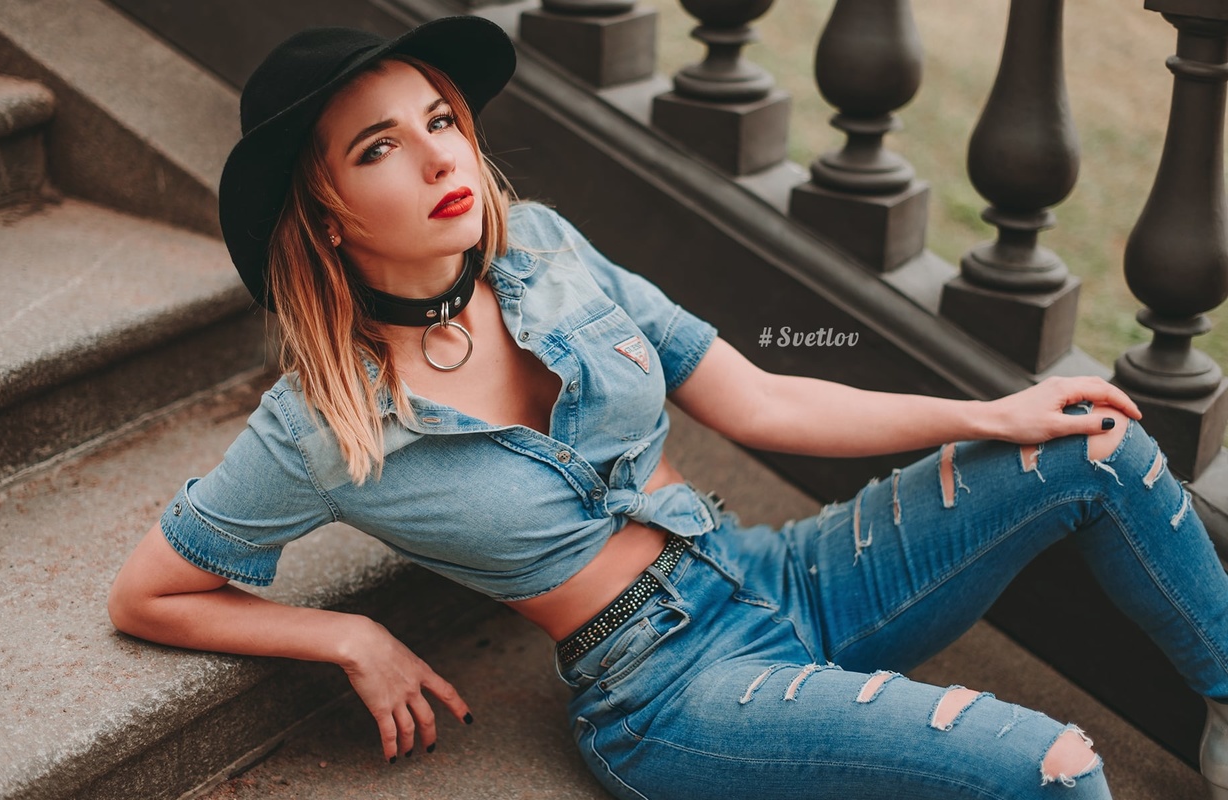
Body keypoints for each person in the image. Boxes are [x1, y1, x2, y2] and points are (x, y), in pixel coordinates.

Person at [106, 16, 1228, 800]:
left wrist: (992, 413)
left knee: (1099, 445)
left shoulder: (542, 248)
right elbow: (151, 589)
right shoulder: (323, 418)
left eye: (438, 118)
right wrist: (343, 631)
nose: (438, 155)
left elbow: (764, 396)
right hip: (669, 687)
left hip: (774, 569)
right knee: (1058, 767)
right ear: (329, 213)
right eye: (378, 148)